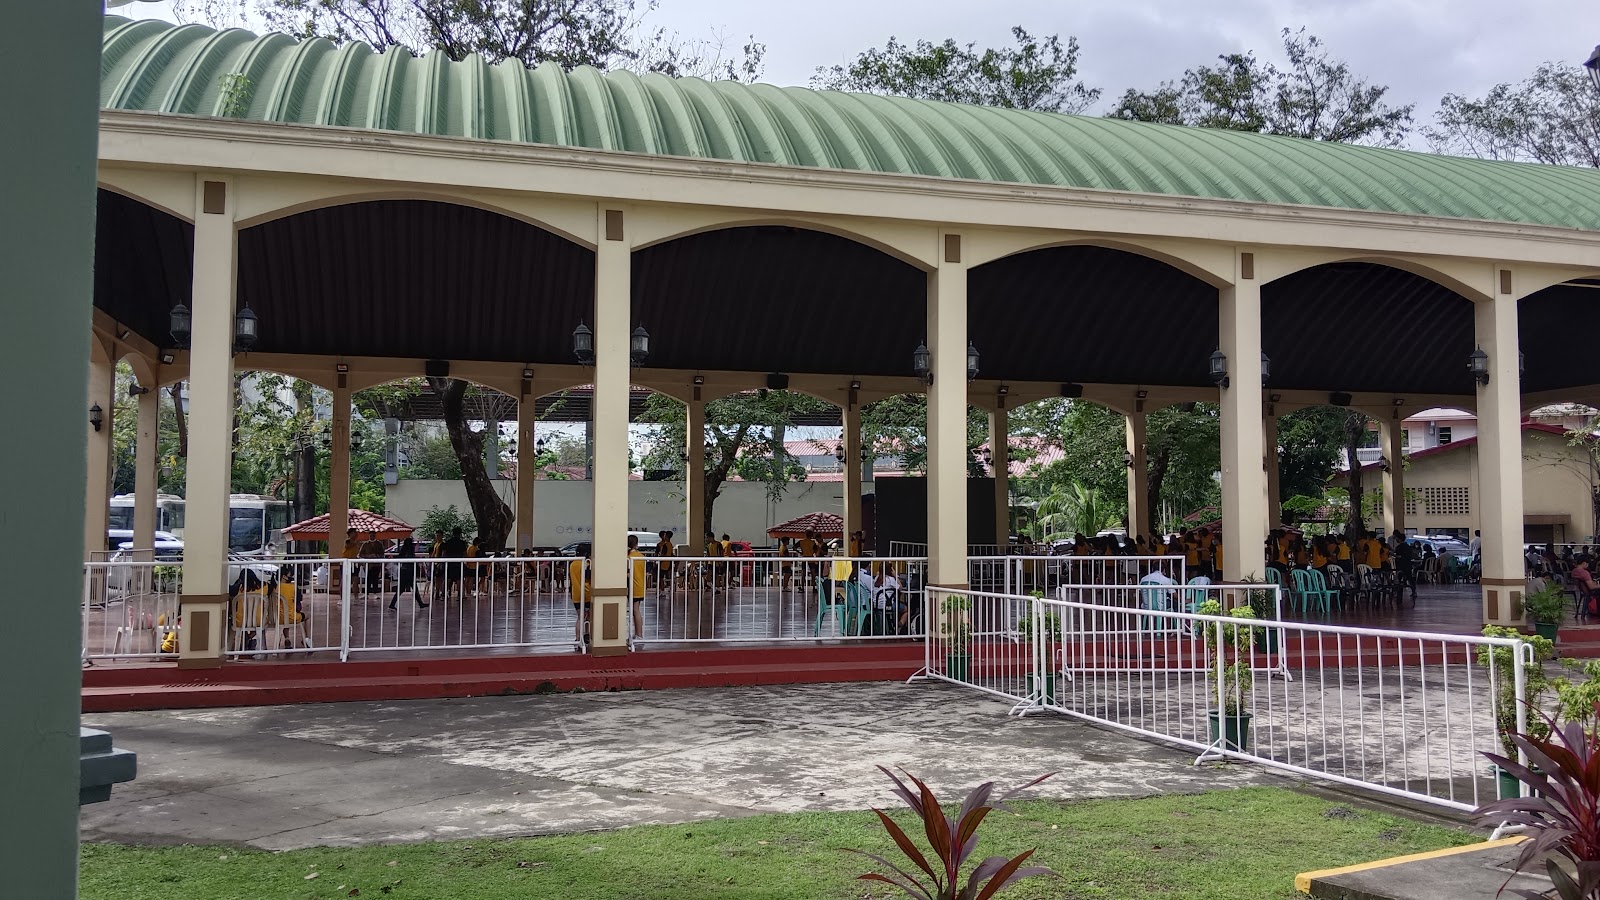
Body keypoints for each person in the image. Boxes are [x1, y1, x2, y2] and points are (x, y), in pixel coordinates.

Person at [388, 536, 426, 610]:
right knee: (413, 588)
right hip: (409, 571)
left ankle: (392, 604)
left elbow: (400, 557)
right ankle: (420, 604)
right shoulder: (410, 549)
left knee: (402, 589)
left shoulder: (403, 549)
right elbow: (411, 559)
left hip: (404, 571)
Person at [569, 542, 593, 645]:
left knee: (580, 617)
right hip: (587, 594)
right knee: (589, 617)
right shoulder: (587, 564)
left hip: (576, 594)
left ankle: (578, 639)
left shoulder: (573, 564)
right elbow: (589, 578)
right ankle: (587, 635)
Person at [627, 534, 647, 648]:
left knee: (635, 610)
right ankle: (638, 634)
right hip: (640, 585)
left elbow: (628, 573)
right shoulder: (641, 556)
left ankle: (639, 635)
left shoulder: (628, 557)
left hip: (632, 586)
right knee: (635, 610)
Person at [440, 527, 468, 602]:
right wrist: (466, 561)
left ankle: (443, 595)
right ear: (460, 534)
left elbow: (444, 553)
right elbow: (465, 553)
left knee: (447, 579)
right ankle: (460, 595)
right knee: (459, 579)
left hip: (449, 563)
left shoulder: (448, 542)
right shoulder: (461, 543)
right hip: (458, 563)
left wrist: (442, 562)